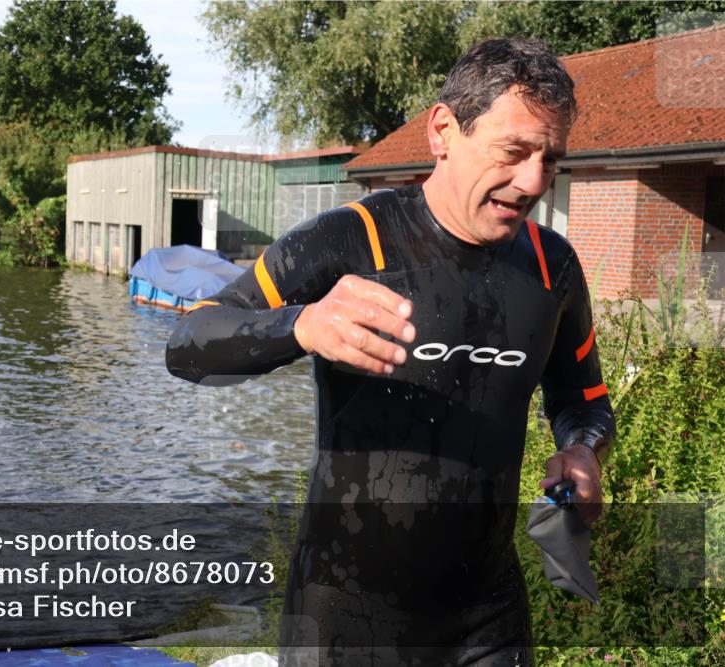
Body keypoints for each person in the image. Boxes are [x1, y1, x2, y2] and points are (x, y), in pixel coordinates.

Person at [166, 38, 615, 665]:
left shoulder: (552, 266)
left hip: (486, 617)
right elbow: (188, 343)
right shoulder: (353, 239)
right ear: (443, 130)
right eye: (514, 152)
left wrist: (582, 450)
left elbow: (585, 400)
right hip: (345, 612)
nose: (534, 180)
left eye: (551, 159)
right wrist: (302, 325)